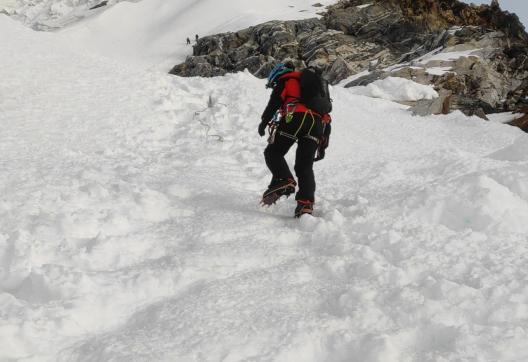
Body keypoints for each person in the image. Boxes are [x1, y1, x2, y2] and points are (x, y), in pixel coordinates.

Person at [258, 61, 331, 217]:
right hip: (317, 124)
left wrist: (263, 123)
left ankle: (285, 179)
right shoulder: (317, 90)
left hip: (296, 118)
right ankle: (305, 205)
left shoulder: (287, 79)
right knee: (304, 166)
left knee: (273, 153)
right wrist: (323, 145)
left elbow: (274, 103)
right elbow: (327, 117)